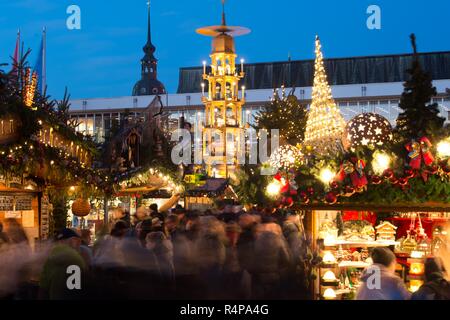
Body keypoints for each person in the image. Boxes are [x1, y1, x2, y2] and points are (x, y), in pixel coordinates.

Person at [39, 228, 87, 300]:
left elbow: (43, 287)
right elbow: (80, 288)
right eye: (78, 241)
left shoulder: (50, 257)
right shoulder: (76, 258)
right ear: (73, 240)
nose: (79, 244)